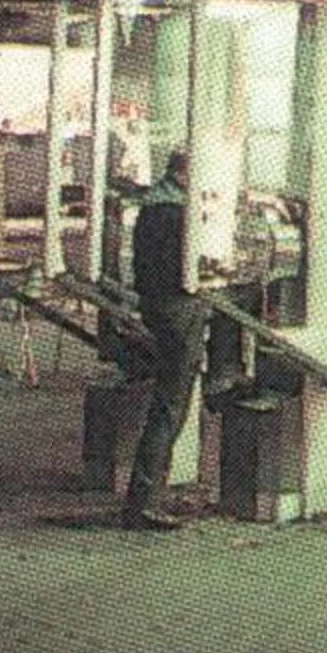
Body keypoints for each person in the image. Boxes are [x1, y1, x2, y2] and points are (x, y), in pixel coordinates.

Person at [121, 151, 205, 531]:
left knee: (167, 404)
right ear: (184, 174)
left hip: (154, 305)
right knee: (171, 406)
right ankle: (144, 500)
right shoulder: (175, 215)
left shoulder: (152, 206)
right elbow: (188, 266)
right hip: (177, 309)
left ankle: (151, 493)